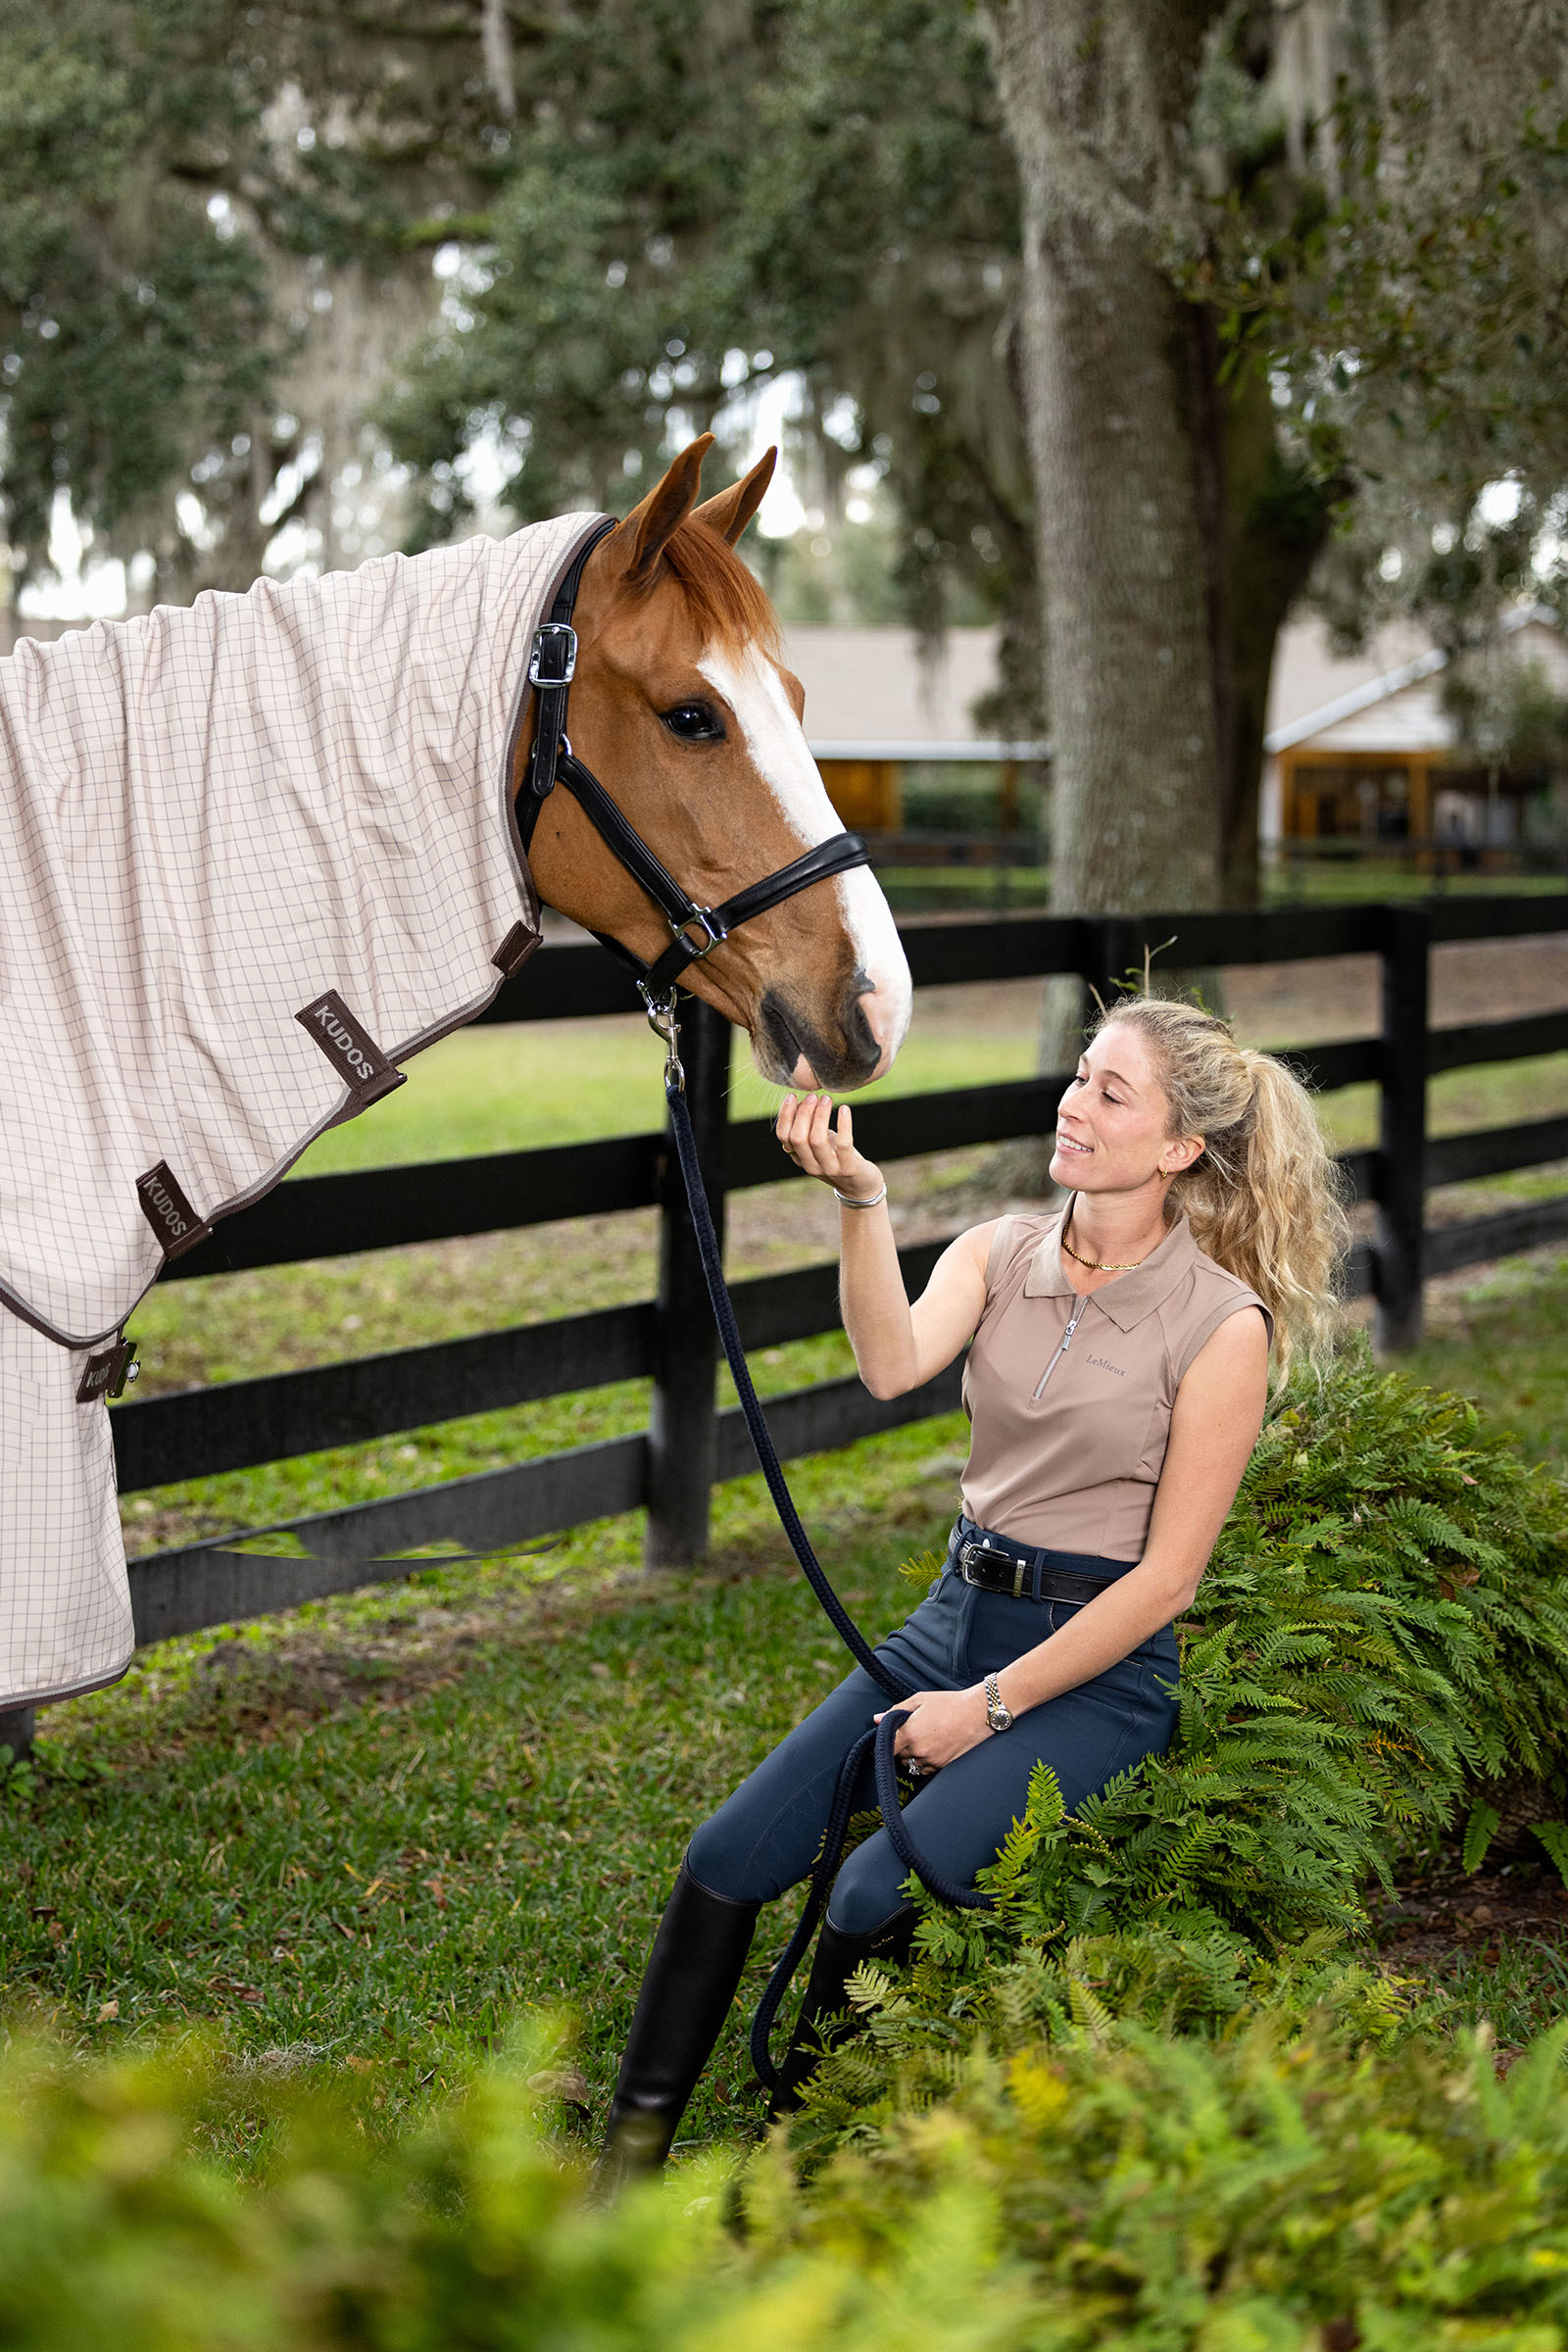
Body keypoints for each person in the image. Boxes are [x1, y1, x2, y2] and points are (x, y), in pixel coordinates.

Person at [599, 994, 1348, 2176]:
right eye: (1077, 1075)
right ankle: (621, 2179)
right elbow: (889, 1363)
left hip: (1094, 1672)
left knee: (864, 1892)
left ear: (1178, 1149)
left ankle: (803, 2168)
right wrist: (862, 1204)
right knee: (726, 1855)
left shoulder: (1219, 1324)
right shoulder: (998, 1252)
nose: (1073, 1101)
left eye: (1111, 1091)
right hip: (950, 1622)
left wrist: (985, 1711)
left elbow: (1163, 1585)